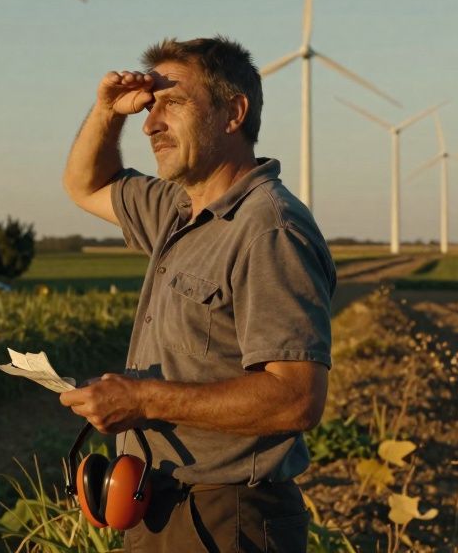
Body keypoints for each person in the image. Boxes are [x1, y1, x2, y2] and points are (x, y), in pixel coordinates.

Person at [60, 36, 336, 552]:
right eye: (148, 106)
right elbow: (84, 185)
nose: (150, 124)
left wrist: (140, 399)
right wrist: (106, 112)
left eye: (174, 103)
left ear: (233, 112)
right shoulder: (177, 209)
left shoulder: (268, 229)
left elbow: (296, 397)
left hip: (225, 519)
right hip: (157, 505)